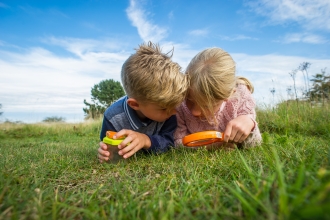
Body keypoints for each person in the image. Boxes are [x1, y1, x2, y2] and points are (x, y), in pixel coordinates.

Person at [98, 42, 188, 163]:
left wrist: (146, 140)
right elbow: (108, 146)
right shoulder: (113, 117)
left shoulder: (169, 112)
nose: (173, 112)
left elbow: (169, 143)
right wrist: (106, 152)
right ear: (135, 105)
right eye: (163, 108)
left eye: (174, 105)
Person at [174, 47, 261, 148]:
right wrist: (213, 146)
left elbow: (254, 143)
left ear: (227, 96)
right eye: (189, 99)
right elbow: (178, 142)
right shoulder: (179, 101)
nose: (194, 112)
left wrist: (248, 122)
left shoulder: (240, 96)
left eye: (206, 106)